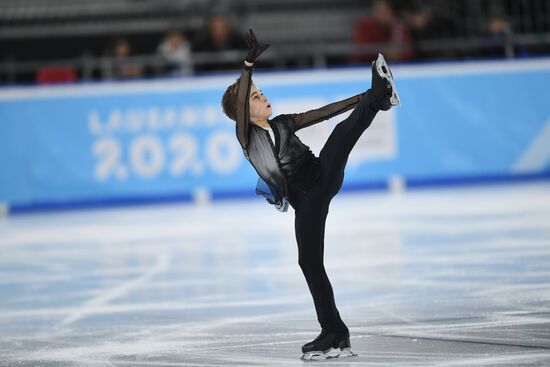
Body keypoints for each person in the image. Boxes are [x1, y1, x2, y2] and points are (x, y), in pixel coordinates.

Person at [221, 29, 399, 360]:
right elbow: (243, 95)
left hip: (320, 177)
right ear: (244, 110)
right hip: (306, 201)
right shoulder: (246, 136)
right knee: (308, 262)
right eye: (256, 97)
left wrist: (362, 97)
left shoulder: (285, 123)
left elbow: (324, 112)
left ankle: (379, 97)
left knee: (339, 132)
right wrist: (248, 65)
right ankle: (335, 334)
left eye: (262, 93)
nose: (264, 97)